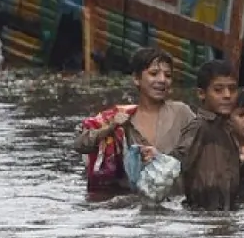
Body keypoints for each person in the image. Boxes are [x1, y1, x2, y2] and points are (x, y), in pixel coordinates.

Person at [73, 47, 195, 193]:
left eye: (168, 75)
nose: (162, 80)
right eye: (154, 74)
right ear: (136, 79)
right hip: (133, 205)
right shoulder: (120, 119)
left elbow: (201, 148)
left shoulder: (181, 113)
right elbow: (81, 145)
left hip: (175, 203)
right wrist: (110, 128)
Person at [151, 59, 241, 211]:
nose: (227, 95)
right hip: (202, 215)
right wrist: (158, 157)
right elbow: (176, 160)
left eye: (232, 89)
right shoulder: (199, 127)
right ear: (201, 94)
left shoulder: (227, 129)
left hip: (223, 211)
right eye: (218, 90)